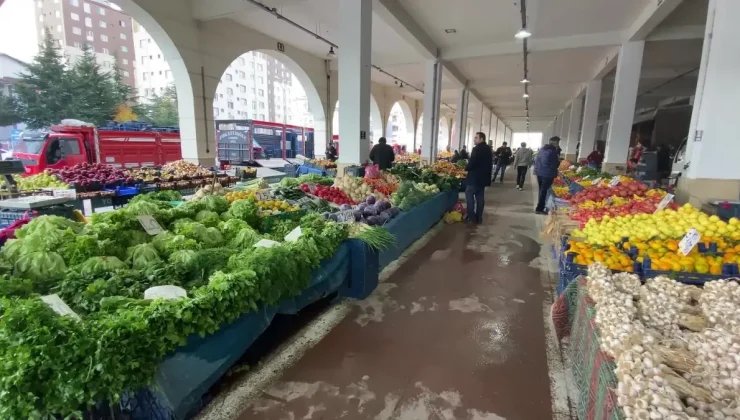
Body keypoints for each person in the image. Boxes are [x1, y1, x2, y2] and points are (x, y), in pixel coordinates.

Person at [464, 132, 493, 223]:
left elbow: (473, 162)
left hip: (474, 178)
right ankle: (479, 216)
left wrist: (466, 168)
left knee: (469, 196)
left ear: (481, 139)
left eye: (476, 138)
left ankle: (471, 216)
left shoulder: (476, 149)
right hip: (483, 178)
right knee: (480, 197)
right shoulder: (488, 149)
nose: (474, 139)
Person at [534, 136, 561, 215]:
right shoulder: (552, 152)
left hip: (539, 172)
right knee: (544, 191)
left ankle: (539, 206)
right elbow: (555, 164)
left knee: (541, 190)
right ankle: (540, 208)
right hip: (548, 173)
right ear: (555, 143)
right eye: (557, 143)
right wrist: (558, 160)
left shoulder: (542, 149)